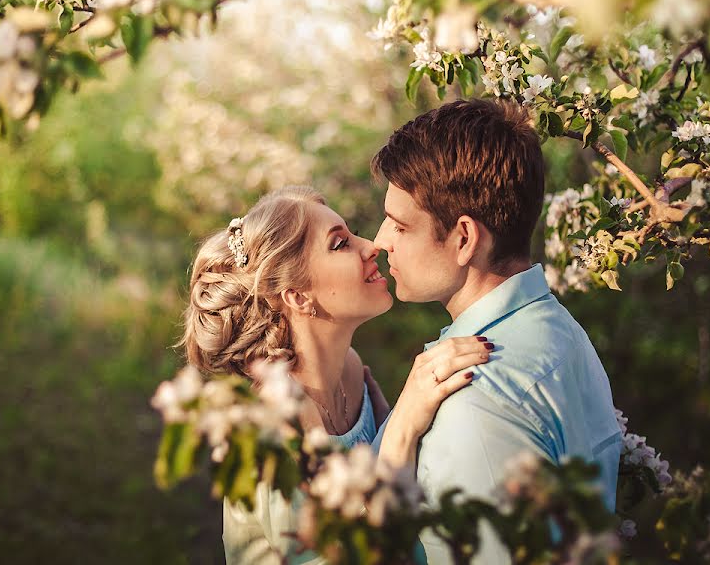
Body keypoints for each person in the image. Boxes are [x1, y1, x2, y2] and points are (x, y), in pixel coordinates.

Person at [178, 186, 494, 564]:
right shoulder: (274, 430)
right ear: (297, 296)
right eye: (340, 243)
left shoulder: (349, 370)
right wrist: (401, 429)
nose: (371, 246)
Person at [370, 98, 622, 564]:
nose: (381, 240)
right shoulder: (560, 332)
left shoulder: (473, 404)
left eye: (400, 226)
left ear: (464, 238)